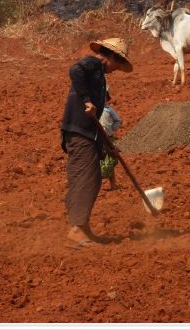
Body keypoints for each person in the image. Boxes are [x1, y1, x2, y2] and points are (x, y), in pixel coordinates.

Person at [60, 38, 132, 248]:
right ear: (111, 57)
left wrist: (108, 145)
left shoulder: (99, 76)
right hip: (78, 132)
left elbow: (96, 122)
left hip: (85, 133)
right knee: (87, 179)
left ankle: (82, 227)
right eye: (118, 64)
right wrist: (86, 100)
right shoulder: (93, 64)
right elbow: (75, 71)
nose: (117, 69)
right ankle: (75, 230)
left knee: (89, 179)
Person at [99, 87, 123, 191]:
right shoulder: (95, 110)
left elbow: (118, 120)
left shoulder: (109, 110)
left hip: (108, 138)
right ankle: (96, 186)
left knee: (111, 159)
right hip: (98, 139)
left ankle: (113, 184)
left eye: (104, 98)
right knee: (98, 160)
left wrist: (111, 129)